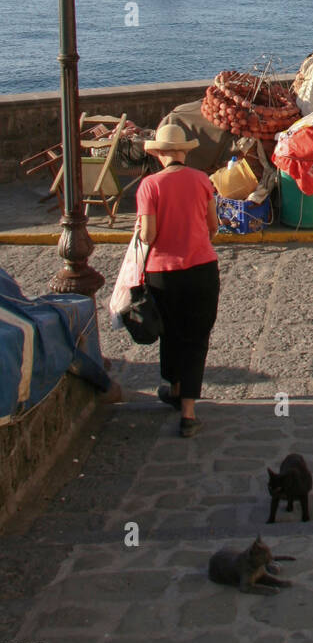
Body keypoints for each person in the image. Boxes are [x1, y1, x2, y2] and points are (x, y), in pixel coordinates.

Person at [136, 124, 220, 438]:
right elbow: (213, 227)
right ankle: (188, 413)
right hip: (201, 269)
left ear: (159, 154)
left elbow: (148, 235)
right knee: (196, 338)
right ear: (184, 152)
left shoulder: (149, 186)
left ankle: (173, 386)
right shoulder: (202, 181)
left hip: (162, 274)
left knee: (170, 333)